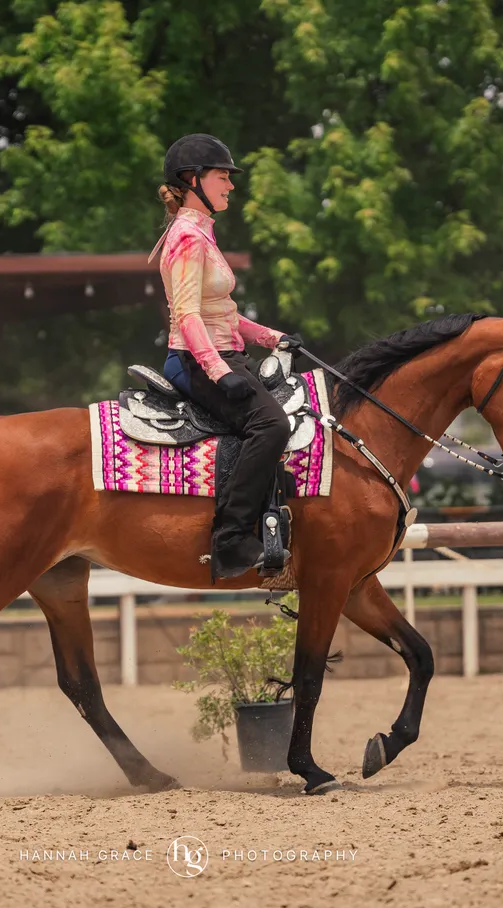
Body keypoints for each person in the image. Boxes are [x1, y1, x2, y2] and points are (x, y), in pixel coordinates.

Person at [151, 133, 302, 580]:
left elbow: (224, 315)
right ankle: (232, 539)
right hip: (198, 360)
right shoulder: (187, 238)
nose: (231, 185)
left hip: (220, 352)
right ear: (192, 180)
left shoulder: (201, 234)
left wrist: (274, 338)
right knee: (271, 424)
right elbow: (187, 314)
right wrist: (218, 371)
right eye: (223, 177)